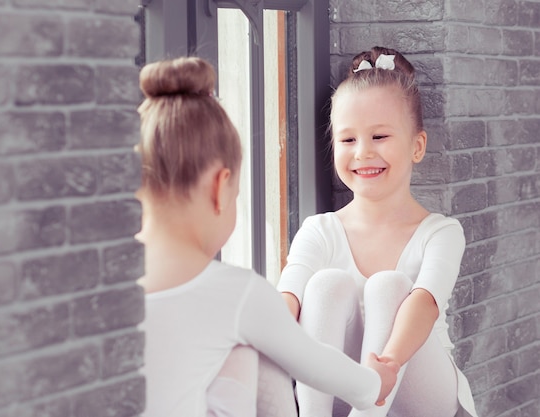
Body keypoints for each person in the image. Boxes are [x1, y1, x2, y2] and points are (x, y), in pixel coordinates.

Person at [136, 56, 399, 417]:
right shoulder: (236, 292)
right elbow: (312, 362)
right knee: (260, 352)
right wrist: (374, 384)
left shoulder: (99, 283)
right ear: (221, 187)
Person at [277, 46, 479, 417]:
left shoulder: (440, 232)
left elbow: (424, 304)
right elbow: (288, 295)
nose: (363, 153)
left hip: (419, 392)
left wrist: (384, 370)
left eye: (380, 137)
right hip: (340, 392)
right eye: (348, 140)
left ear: (417, 146)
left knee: (390, 286)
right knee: (324, 285)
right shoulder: (319, 230)